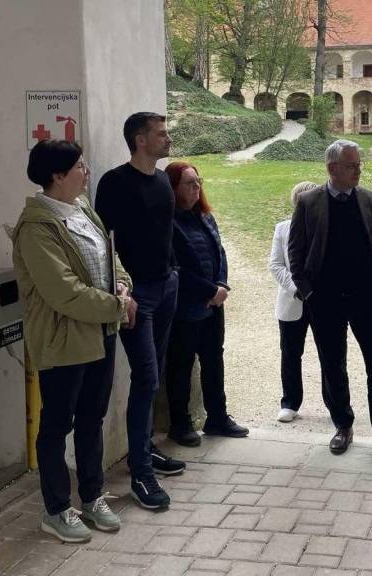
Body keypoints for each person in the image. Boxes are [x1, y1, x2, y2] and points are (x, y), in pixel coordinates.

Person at [12, 139, 135, 542]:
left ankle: (93, 497)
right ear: (57, 175)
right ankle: (57, 509)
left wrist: (122, 283)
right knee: (56, 425)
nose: (87, 172)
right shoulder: (36, 227)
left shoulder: (82, 209)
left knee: (91, 418)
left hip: (100, 333)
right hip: (64, 340)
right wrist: (117, 306)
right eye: (80, 166)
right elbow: (63, 292)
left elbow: (110, 255)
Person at [288, 140, 372, 467]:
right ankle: (343, 424)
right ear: (332, 168)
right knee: (333, 365)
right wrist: (307, 291)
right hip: (324, 299)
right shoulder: (309, 202)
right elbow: (295, 251)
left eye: (358, 164)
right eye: (352, 165)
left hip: (367, 298)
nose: (358, 170)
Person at [95, 112, 184, 510]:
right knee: (146, 377)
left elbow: (167, 234)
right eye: (161, 134)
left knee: (154, 373)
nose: (168, 139)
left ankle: (143, 448)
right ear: (140, 140)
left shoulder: (163, 180)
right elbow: (105, 244)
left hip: (166, 287)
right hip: (137, 296)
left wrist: (175, 273)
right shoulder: (115, 183)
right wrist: (123, 290)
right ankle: (141, 475)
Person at [163, 161, 248, 446]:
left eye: (198, 181)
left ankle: (217, 418)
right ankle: (180, 424)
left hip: (213, 304)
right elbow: (177, 267)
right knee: (181, 364)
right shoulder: (169, 223)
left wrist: (221, 285)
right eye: (189, 183)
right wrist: (210, 290)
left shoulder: (205, 217)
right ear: (174, 188)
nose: (197, 187)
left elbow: (220, 253)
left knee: (214, 359)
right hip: (186, 307)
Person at [269, 181, 326, 423]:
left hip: (322, 300)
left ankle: (335, 403)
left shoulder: (326, 230)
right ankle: (290, 402)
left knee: (330, 354)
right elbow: (276, 265)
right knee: (290, 353)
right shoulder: (282, 229)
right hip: (293, 301)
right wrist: (297, 288)